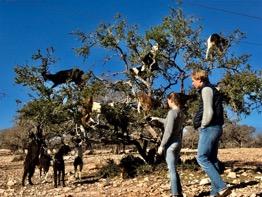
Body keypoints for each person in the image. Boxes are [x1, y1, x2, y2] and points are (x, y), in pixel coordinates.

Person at [191, 69, 231, 197]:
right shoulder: (213, 89)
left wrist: (203, 125)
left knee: (201, 157)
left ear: (200, 79)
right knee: (212, 159)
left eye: (193, 81)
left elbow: (208, 112)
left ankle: (222, 186)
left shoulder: (206, 89)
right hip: (217, 127)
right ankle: (215, 193)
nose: (192, 84)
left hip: (210, 127)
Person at [150, 92, 185, 197]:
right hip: (178, 143)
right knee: (174, 168)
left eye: (168, 100)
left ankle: (175, 194)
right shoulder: (180, 112)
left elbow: (168, 131)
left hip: (170, 145)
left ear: (171, 100)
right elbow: (168, 122)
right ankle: (179, 192)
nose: (167, 102)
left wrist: (162, 145)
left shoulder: (171, 113)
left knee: (171, 170)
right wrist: (157, 118)